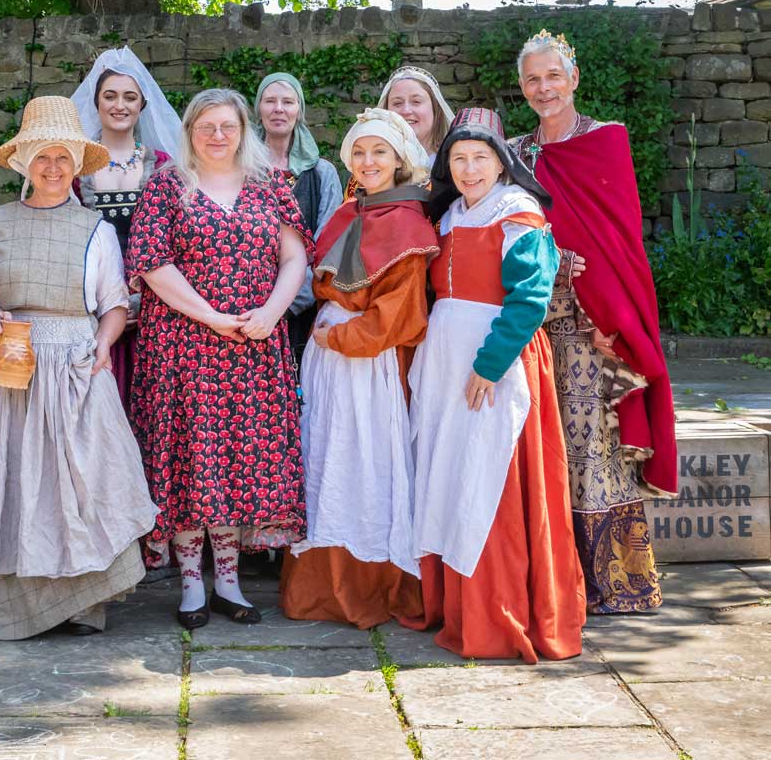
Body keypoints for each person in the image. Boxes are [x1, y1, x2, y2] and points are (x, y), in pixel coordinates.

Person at [0, 96, 159, 640]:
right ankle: (14, 603)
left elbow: (114, 303)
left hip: (75, 363)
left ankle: (84, 602)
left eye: (62, 157)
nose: (52, 167)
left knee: (81, 482)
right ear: (24, 162)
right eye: (42, 156)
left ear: (76, 165)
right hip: (12, 364)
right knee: (15, 480)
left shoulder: (95, 228)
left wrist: (102, 346)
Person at [125, 88, 311, 629]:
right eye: (206, 126)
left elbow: (295, 255)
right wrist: (210, 316)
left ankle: (228, 582)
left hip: (254, 344)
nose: (217, 135)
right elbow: (153, 263)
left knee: (233, 460)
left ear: (243, 130)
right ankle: (191, 584)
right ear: (189, 132)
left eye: (228, 126)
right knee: (190, 459)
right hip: (182, 346)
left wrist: (273, 311)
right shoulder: (166, 185)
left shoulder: (268, 185)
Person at [407, 107, 585, 663]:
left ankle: (495, 611)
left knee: (489, 479)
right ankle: (453, 605)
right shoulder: (447, 216)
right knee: (449, 474)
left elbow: (529, 299)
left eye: (480, 158)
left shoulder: (518, 212)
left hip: (496, 363)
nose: (469, 169)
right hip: (444, 362)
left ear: (501, 161)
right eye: (459, 158)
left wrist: (489, 365)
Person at [508, 30, 675, 613]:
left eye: (553, 76)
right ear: (522, 86)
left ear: (574, 78)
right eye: (533, 79)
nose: (544, 88)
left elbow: (619, 237)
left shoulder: (606, 140)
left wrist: (615, 318)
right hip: (532, 321)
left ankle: (617, 584)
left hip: (587, 321)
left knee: (590, 448)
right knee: (539, 448)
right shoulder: (515, 153)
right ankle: (554, 584)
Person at [279, 109, 437, 629]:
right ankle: (318, 589)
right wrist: (326, 338)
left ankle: (367, 588)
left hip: (368, 369)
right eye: (360, 152)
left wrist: (340, 338)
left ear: (399, 159)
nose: (368, 162)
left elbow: (400, 314)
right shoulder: (347, 213)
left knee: (365, 463)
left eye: (380, 152)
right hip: (326, 364)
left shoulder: (409, 223)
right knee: (325, 456)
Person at [69, 47, 182, 408]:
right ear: (97, 102)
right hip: (92, 304)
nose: (120, 105)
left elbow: (177, 241)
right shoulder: (74, 168)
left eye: (130, 97)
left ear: (142, 105)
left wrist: (141, 298)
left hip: (157, 303)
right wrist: (109, 301)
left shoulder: (163, 165)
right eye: (110, 96)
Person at [254, 72, 343, 363]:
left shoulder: (323, 174)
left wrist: (281, 305)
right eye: (270, 101)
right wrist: (256, 307)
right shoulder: (241, 171)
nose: (278, 108)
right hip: (248, 306)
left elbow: (327, 247)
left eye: (288, 102)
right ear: (259, 109)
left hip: (302, 307)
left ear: (299, 110)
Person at [345, 66, 455, 201]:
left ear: (435, 109)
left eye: (416, 102)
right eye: (397, 103)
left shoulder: (455, 167)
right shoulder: (368, 171)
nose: (406, 111)